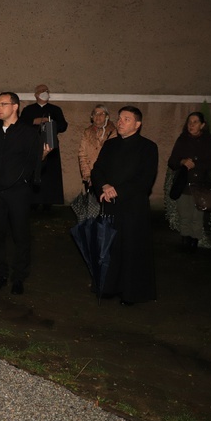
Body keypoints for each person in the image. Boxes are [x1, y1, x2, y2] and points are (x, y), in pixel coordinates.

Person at [0, 92, 50, 295]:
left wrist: (43, 156)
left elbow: (35, 164)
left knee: (20, 236)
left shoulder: (29, 133)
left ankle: (19, 278)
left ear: (15, 107)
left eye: (3, 104)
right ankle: (0, 275)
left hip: (18, 193)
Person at [91, 106, 158, 305]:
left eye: (126, 119)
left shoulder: (148, 147)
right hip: (110, 206)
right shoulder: (110, 145)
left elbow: (144, 179)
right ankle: (108, 287)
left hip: (133, 207)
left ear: (137, 124)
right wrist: (104, 185)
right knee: (109, 248)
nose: (120, 122)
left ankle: (131, 293)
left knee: (131, 249)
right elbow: (97, 169)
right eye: (120, 118)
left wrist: (117, 190)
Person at [166, 112, 211, 252]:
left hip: (201, 185)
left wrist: (196, 164)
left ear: (202, 125)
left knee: (197, 216)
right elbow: (172, 162)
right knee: (185, 216)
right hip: (184, 184)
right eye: (189, 122)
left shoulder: (210, 141)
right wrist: (182, 161)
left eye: (195, 122)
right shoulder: (182, 140)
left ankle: (194, 242)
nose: (191, 125)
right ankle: (185, 241)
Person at [19, 84, 68, 211]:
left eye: (46, 91)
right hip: (32, 144)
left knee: (50, 173)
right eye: (41, 91)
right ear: (36, 95)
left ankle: (49, 202)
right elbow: (20, 125)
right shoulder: (28, 110)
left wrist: (51, 122)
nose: (44, 93)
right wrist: (34, 121)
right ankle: (33, 201)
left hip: (50, 144)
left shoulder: (55, 109)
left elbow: (63, 126)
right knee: (34, 171)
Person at [78, 104, 117, 185]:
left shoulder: (113, 132)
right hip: (91, 173)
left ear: (107, 117)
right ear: (92, 116)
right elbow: (82, 154)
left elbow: (112, 156)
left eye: (102, 114)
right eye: (96, 113)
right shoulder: (87, 132)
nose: (98, 116)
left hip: (107, 176)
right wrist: (88, 175)